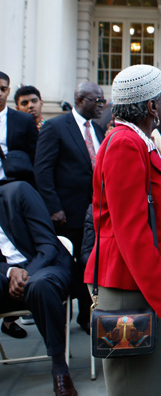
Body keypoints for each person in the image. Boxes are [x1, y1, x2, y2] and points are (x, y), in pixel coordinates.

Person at [84, 64, 161, 396]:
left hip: (144, 284)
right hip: (132, 289)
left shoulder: (136, 141)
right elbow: (133, 233)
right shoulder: (124, 144)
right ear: (149, 107)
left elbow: (151, 196)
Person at [34, 81, 106, 334]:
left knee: (91, 263)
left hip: (95, 212)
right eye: (97, 101)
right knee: (73, 264)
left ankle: (88, 316)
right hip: (68, 213)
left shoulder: (98, 129)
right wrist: (54, 207)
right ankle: (66, 314)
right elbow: (43, 170)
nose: (102, 105)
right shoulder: (55, 127)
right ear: (80, 100)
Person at [0, 180, 77, 396]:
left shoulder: (18, 192)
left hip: (45, 266)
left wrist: (25, 273)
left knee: (39, 285)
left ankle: (60, 371)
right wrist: (11, 272)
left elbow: (47, 245)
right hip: (7, 276)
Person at [0, 71, 39, 183]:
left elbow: (35, 156)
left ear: (8, 91)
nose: (0, 93)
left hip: (13, 183)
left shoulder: (24, 120)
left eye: (3, 89)